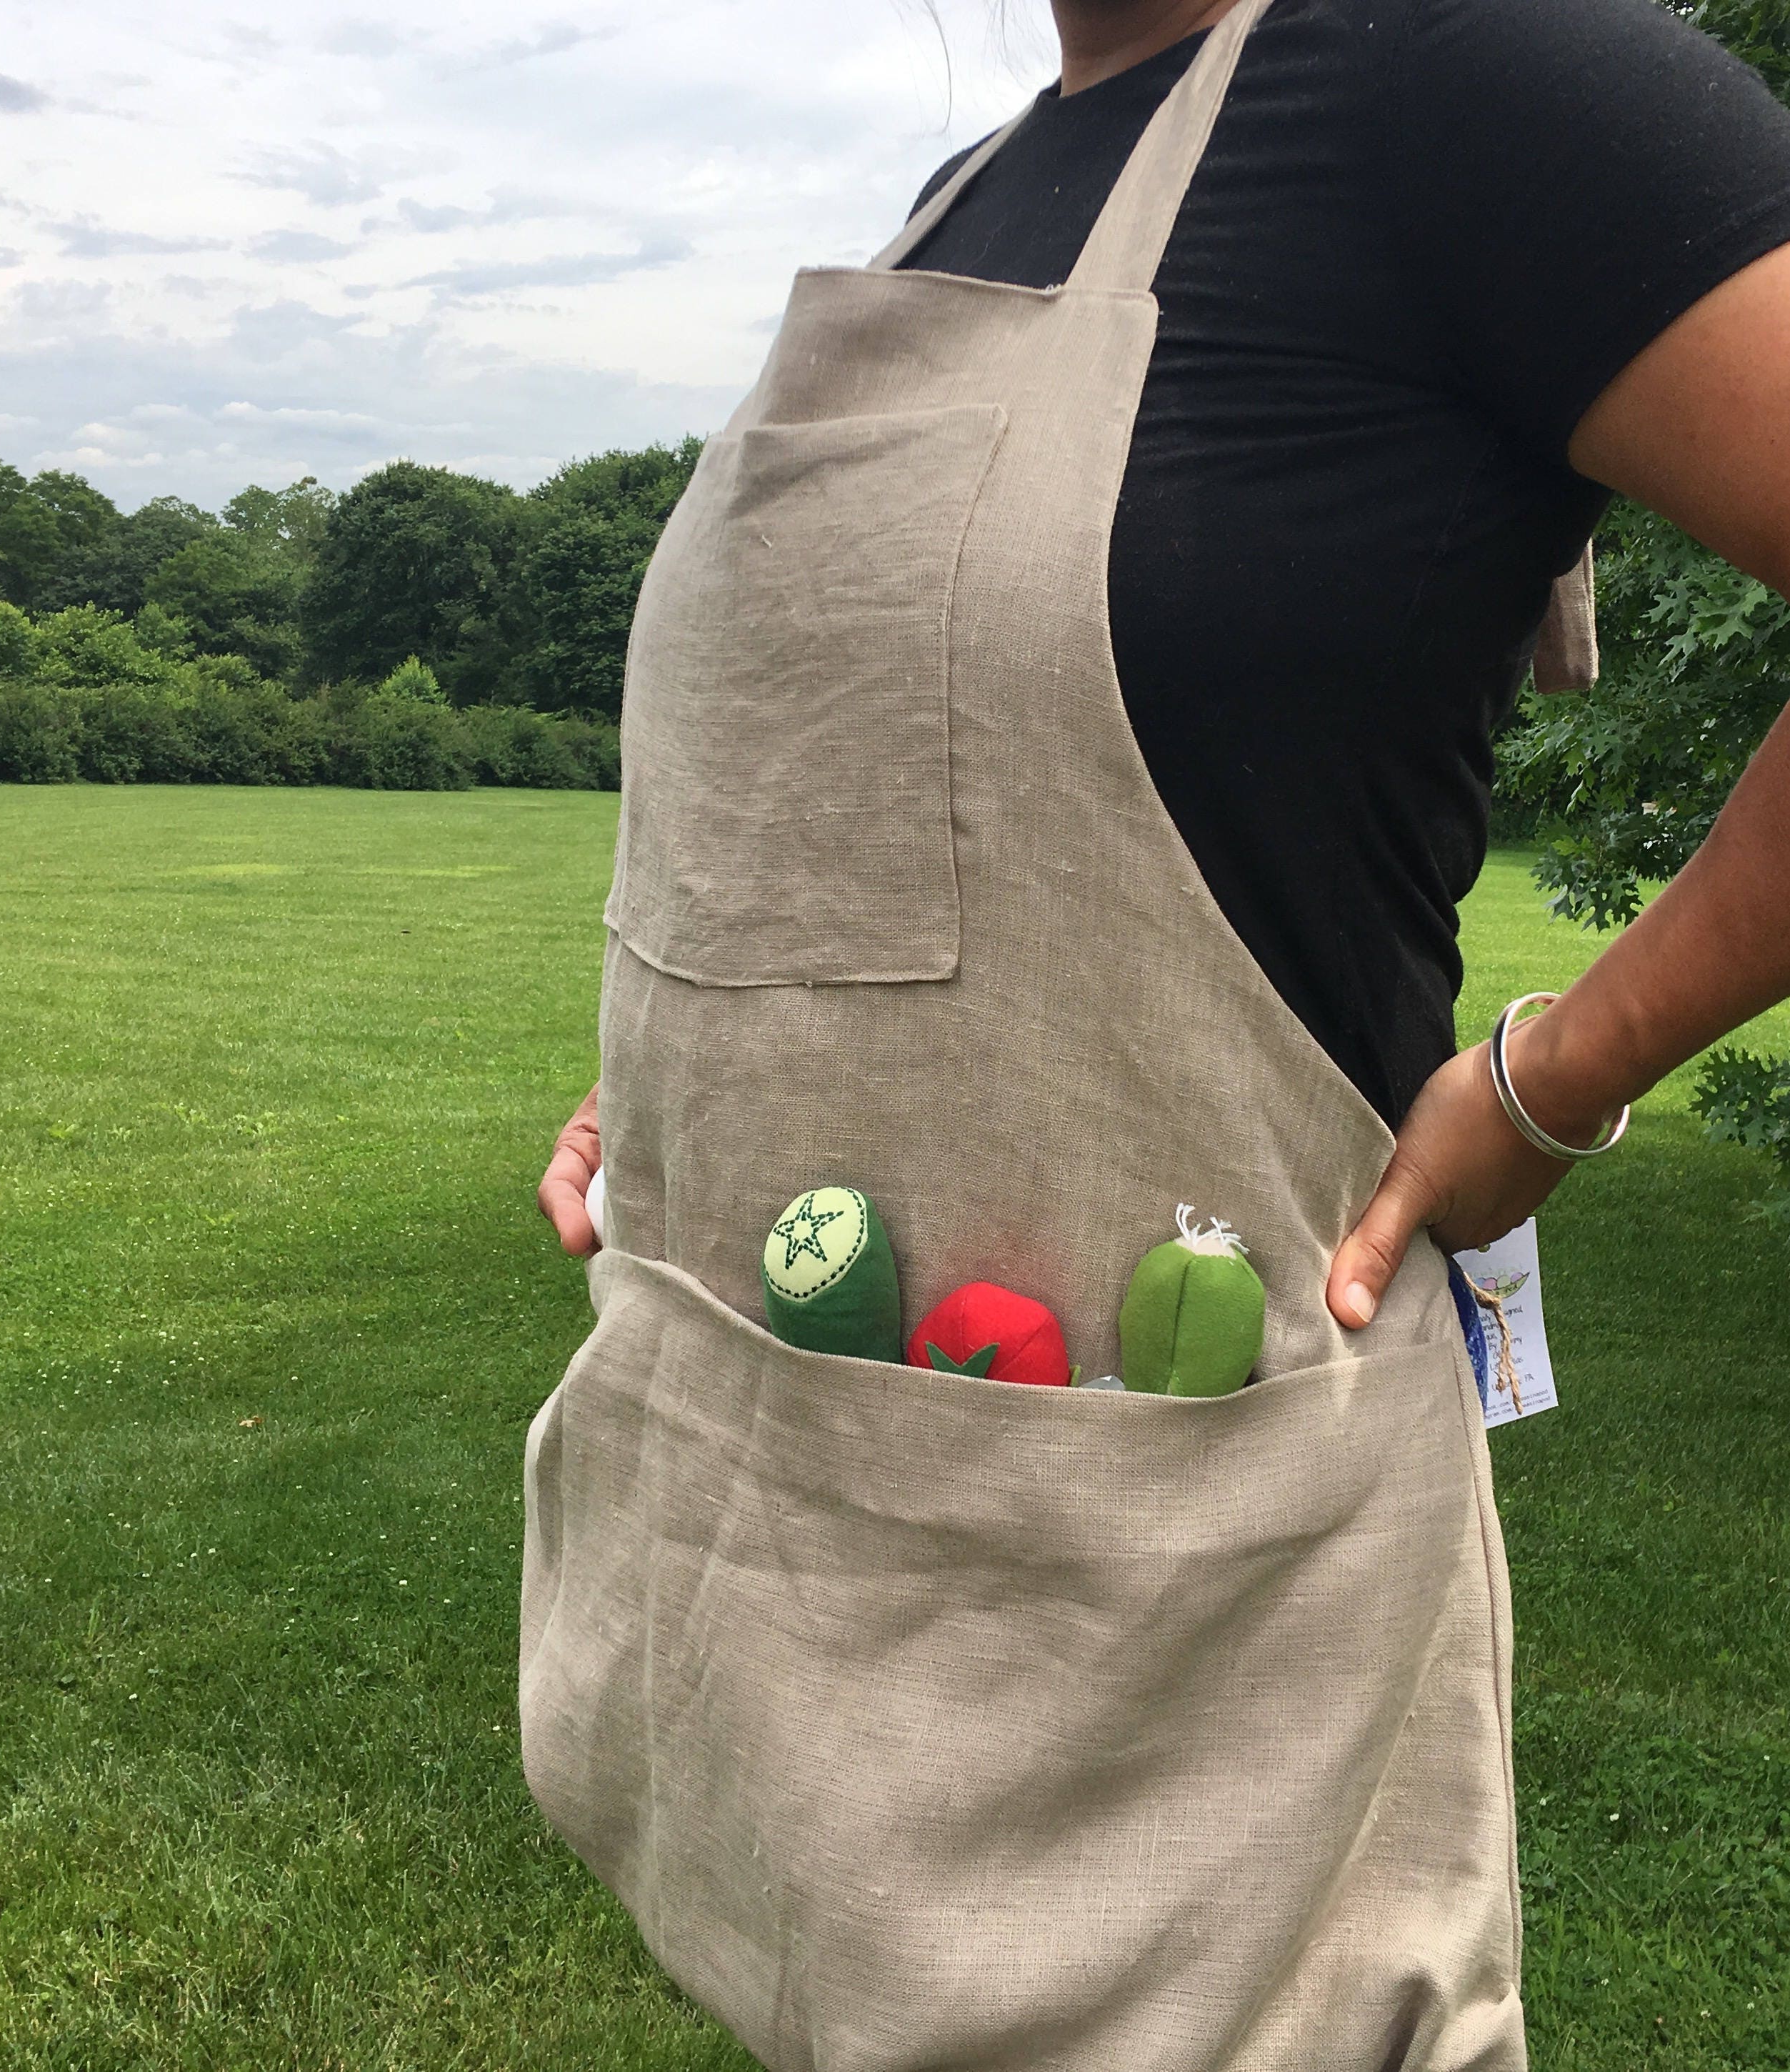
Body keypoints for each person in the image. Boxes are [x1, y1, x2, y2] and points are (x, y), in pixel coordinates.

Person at [526, 2, 1790, 2065]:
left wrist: (1555, 1077)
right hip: (813, 1600)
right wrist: (706, 1051)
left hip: (1174, 1656)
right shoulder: (976, 190)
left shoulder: (1490, 89)